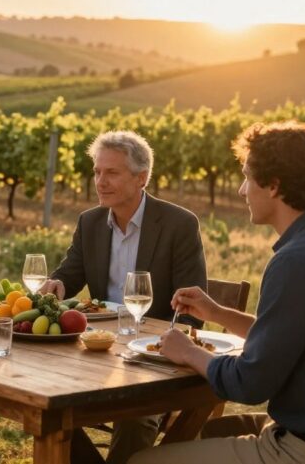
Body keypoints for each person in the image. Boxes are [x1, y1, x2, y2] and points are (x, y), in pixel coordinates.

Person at [130, 121, 305, 464]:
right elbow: (291, 340)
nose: (242, 190)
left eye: (246, 177)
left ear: (273, 185)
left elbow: (249, 385)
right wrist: (218, 314)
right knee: (212, 431)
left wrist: (188, 352)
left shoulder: (298, 260)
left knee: (140, 461)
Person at [39, 130, 207, 464]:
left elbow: (191, 312)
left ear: (141, 178)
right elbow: (69, 273)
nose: (100, 181)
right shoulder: (89, 222)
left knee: (135, 417)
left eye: (112, 173)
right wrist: (56, 284)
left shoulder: (179, 224)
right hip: (99, 354)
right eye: (97, 172)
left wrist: (165, 348)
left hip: (154, 360)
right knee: (42, 403)